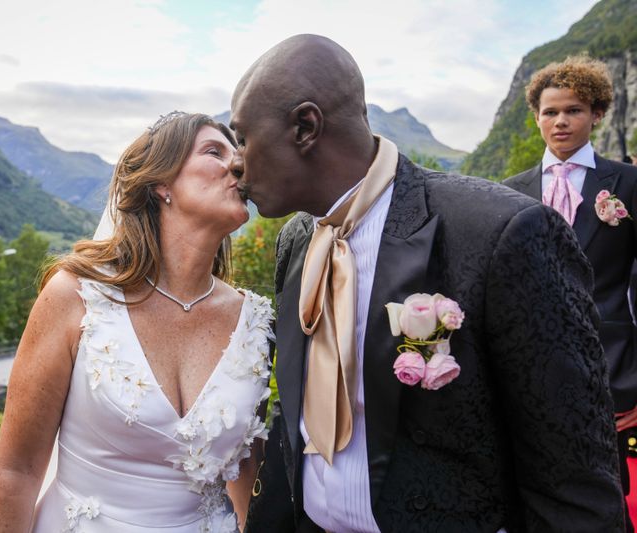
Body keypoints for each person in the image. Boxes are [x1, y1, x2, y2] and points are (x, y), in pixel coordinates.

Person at [229, 35, 624, 532]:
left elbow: (573, 475)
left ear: (306, 127)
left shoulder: (500, 232)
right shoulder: (297, 241)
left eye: (243, 137)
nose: (236, 160)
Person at [0, 112, 274, 532]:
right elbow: (16, 470)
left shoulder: (255, 321)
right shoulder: (75, 297)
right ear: (161, 184)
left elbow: (247, 472)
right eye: (214, 151)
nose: (238, 164)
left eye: (237, 153)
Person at [503, 56, 637, 528]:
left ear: (597, 114)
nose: (561, 121)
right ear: (536, 117)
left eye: (574, 110)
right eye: (550, 111)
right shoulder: (508, 192)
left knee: (610, 495)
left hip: (613, 373)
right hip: (528, 373)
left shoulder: (630, 185)